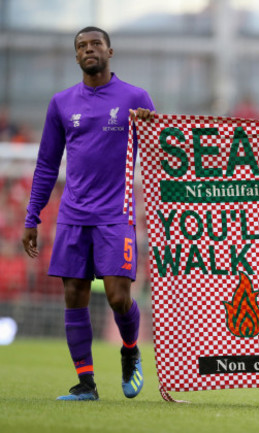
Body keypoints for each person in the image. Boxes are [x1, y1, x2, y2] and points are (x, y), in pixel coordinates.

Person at [22, 26, 156, 401]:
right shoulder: (61, 103)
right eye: (81, 46)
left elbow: (161, 154)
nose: (88, 49)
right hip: (72, 216)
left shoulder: (135, 98)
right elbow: (47, 164)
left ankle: (130, 349)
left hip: (117, 213)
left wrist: (150, 127)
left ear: (110, 51)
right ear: (76, 55)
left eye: (95, 43)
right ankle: (86, 384)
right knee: (73, 294)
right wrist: (32, 216)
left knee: (117, 297)